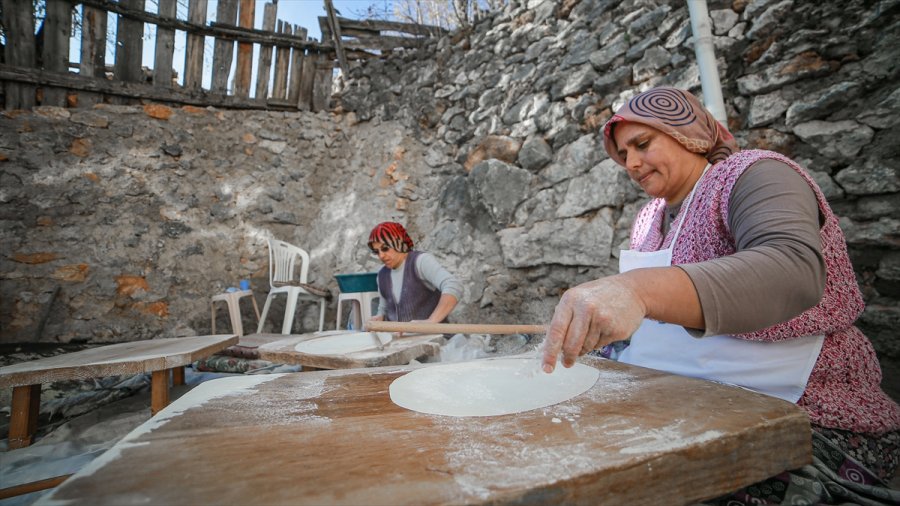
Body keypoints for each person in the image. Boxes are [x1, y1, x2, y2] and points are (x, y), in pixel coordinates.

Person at [541, 87, 899, 504]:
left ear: (686, 133)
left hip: (801, 411)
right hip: (689, 401)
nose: (632, 164)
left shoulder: (754, 174)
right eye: (623, 155)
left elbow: (792, 270)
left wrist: (636, 289)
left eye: (642, 144)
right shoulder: (648, 219)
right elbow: (657, 320)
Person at [365, 222, 462, 325]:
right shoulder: (382, 276)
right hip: (401, 340)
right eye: (376, 251)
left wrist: (431, 321)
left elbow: (453, 285)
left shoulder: (420, 262)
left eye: (385, 248)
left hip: (435, 338)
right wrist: (379, 317)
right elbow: (384, 308)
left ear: (399, 242)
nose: (381, 256)